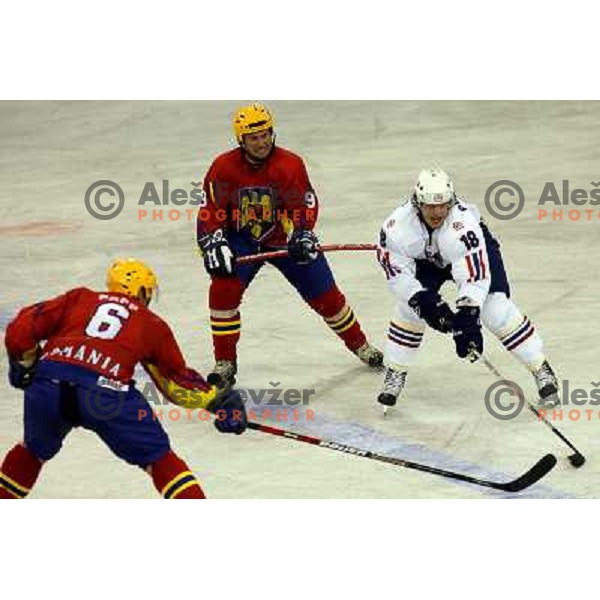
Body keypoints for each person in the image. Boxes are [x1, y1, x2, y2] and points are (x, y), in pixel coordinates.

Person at [0, 258, 247, 500]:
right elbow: (175, 385)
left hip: (49, 382)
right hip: (106, 393)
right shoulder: (151, 323)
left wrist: (24, 363)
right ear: (143, 292)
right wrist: (218, 400)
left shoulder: (79, 298)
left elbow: (20, 328)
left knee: (31, 452)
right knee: (160, 461)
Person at [196, 102, 382, 386]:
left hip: (284, 241)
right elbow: (211, 209)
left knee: (327, 296)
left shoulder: (289, 164)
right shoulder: (223, 167)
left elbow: (304, 204)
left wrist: (303, 233)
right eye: (253, 137)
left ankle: (360, 345)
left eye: (265, 134)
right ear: (241, 140)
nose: (261, 142)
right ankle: (225, 363)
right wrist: (212, 241)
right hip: (242, 240)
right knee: (223, 292)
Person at [375, 168, 560, 409]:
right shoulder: (396, 227)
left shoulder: (464, 226)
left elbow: (473, 277)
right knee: (409, 309)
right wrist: (420, 299)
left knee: (493, 308)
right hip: (424, 260)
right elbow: (397, 273)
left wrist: (468, 316)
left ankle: (539, 367)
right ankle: (396, 371)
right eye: (430, 206)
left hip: (471, 253)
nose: (438, 212)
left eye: (443, 205)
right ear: (417, 203)